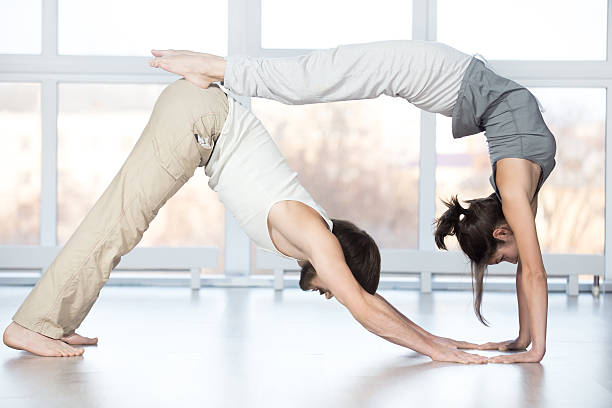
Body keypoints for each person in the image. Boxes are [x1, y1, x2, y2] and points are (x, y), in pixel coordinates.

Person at [3, 77, 488, 364]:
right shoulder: (314, 235)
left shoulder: (312, 234)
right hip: (199, 122)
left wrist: (431, 338)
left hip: (201, 120)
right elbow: (363, 306)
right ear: (341, 260)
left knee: (122, 225)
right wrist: (436, 347)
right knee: (118, 222)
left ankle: (53, 322)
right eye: (335, 285)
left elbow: (363, 299)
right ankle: (30, 324)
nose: (328, 293)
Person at [149, 39, 556, 364]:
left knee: (312, 79)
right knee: (308, 81)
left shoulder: (514, 192)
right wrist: (535, 350)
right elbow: (535, 273)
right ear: (501, 231)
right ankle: (211, 66)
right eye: (502, 257)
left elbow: (530, 271)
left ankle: (214, 66)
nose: (513, 261)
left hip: (441, 74)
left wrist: (524, 339)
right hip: (436, 72)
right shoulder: (513, 188)